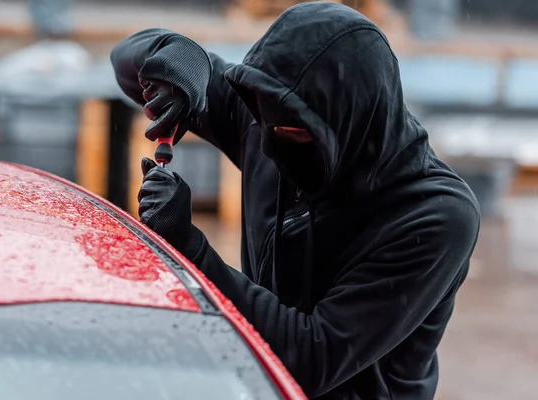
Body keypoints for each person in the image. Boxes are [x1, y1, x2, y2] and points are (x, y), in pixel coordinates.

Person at [110, 2, 480, 399]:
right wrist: (182, 61)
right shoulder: (267, 119)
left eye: (292, 132)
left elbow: (310, 359)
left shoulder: (435, 217)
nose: (269, 144)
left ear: (346, 123)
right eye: (265, 121)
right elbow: (127, 60)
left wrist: (193, 250)